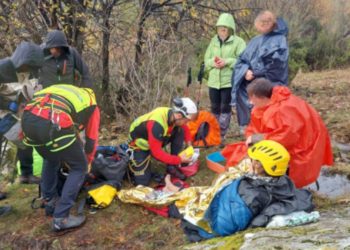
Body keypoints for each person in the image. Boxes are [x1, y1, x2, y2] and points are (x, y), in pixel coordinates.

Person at [224, 78, 333, 188]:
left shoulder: (285, 109)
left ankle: (273, 182)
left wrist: (257, 138)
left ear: (260, 97)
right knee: (240, 153)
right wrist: (252, 138)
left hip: (301, 151)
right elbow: (254, 127)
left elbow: (287, 138)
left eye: (252, 98)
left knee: (245, 158)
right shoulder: (268, 103)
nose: (250, 102)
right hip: (287, 142)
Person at [21, 84, 100, 231]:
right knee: (79, 167)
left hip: (27, 119)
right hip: (52, 120)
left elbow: (72, 131)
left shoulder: (67, 93)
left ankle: (50, 202)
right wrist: (87, 162)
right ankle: (61, 218)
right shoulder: (92, 106)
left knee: (51, 158)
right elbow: (91, 140)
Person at [231, 10, 289, 134]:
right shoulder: (256, 40)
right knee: (247, 95)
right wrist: (245, 71)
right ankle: (249, 126)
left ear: (266, 24)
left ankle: (268, 131)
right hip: (253, 81)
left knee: (268, 108)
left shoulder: (280, 40)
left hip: (268, 83)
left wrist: (255, 73)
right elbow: (242, 59)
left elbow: (276, 65)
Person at [0, 41, 44, 187]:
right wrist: (8, 105)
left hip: (16, 111)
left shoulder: (29, 71)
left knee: (25, 138)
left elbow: (26, 88)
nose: (29, 69)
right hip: (3, 112)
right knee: (8, 149)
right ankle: (6, 181)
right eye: (28, 65)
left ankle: (26, 174)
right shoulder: (3, 68)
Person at [128, 97, 198, 186]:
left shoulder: (173, 115)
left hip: (154, 139)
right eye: (187, 120)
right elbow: (157, 153)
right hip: (139, 146)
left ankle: (171, 166)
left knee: (180, 130)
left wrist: (189, 143)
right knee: (142, 183)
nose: (187, 123)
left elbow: (184, 128)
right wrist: (179, 160)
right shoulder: (157, 125)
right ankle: (133, 161)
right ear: (180, 116)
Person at [204, 13, 246, 144]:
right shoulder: (213, 41)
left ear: (230, 29)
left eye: (225, 28)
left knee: (225, 109)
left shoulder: (238, 42)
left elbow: (243, 61)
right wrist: (214, 63)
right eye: (220, 28)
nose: (222, 30)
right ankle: (213, 133)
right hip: (213, 82)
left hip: (229, 82)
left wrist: (226, 61)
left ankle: (221, 135)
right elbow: (206, 61)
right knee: (214, 108)